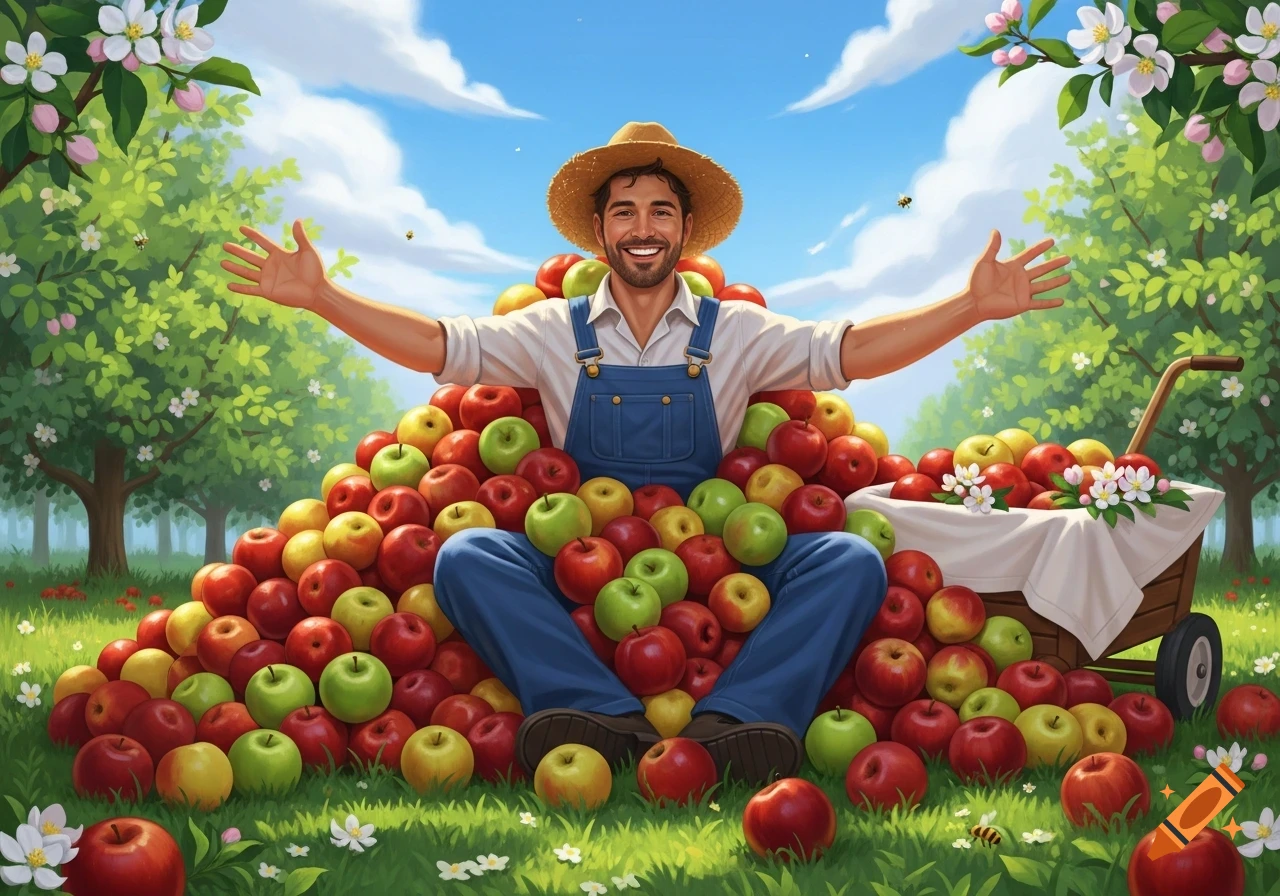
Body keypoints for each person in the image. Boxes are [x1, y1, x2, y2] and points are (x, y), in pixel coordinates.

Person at [221, 121, 1071, 785]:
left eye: (660, 211)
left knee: (849, 561)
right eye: (624, 211)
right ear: (599, 230)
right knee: (468, 555)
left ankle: (744, 722)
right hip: (584, 558)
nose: (642, 227)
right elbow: (441, 347)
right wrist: (324, 297)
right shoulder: (552, 330)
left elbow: (849, 350)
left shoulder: (736, 331)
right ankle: (595, 713)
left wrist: (967, 307)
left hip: (716, 554)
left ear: (686, 230)